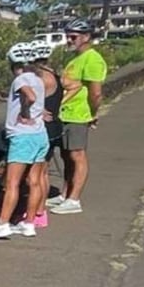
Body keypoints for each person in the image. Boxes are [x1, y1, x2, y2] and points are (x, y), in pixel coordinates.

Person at [0, 43, 48, 240]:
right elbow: (24, 98)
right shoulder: (37, 78)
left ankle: (2, 224)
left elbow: (30, 97)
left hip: (23, 136)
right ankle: (29, 224)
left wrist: (25, 113)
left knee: (12, 183)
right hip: (39, 134)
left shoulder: (21, 79)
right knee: (34, 181)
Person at [50, 18, 107, 214]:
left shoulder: (93, 59)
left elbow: (96, 92)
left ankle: (74, 200)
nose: (69, 40)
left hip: (78, 115)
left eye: (73, 36)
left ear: (86, 37)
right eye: (67, 36)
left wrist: (92, 113)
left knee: (77, 155)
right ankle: (65, 194)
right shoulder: (75, 59)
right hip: (65, 113)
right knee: (66, 156)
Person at [28, 40, 62, 229]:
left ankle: (37, 213)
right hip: (55, 127)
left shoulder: (41, 77)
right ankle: (40, 212)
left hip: (45, 129)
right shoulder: (54, 75)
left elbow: (27, 98)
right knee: (44, 172)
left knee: (37, 174)